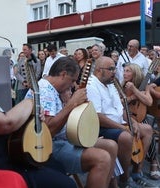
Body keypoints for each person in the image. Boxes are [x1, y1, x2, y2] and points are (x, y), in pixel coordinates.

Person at [0, 54, 77, 188]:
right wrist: (30, 103)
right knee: (66, 184)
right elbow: (6, 123)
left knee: (56, 166)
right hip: (0, 165)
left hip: (14, 157)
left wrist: (31, 117)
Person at [26, 56, 118, 188]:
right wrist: (72, 103)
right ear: (63, 74)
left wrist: (67, 103)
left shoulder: (54, 90)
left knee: (110, 146)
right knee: (102, 158)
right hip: (50, 146)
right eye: (72, 80)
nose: (72, 85)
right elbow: (48, 131)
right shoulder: (44, 90)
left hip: (66, 139)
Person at [87, 56, 155, 187]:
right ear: (100, 70)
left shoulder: (111, 83)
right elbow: (98, 116)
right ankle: (125, 179)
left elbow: (121, 110)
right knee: (126, 136)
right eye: (111, 69)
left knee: (147, 129)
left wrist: (132, 122)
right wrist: (122, 127)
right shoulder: (92, 85)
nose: (115, 71)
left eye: (114, 68)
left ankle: (137, 172)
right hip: (102, 126)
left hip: (118, 123)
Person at [122, 63, 160, 180]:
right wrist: (132, 97)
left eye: (128, 71)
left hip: (141, 117)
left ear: (135, 73)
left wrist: (135, 90)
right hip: (126, 118)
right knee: (148, 129)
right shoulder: (121, 85)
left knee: (147, 127)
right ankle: (151, 164)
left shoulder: (142, 86)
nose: (124, 73)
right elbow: (120, 103)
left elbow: (148, 102)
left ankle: (140, 167)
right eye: (124, 71)